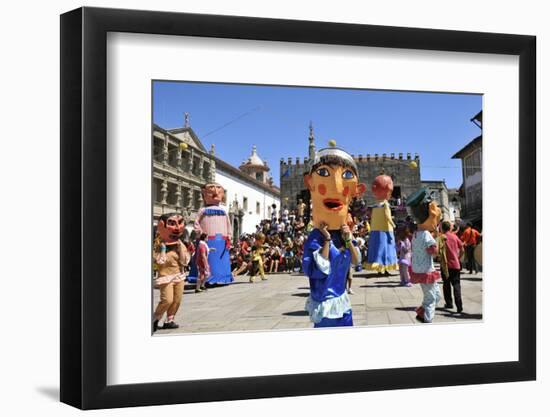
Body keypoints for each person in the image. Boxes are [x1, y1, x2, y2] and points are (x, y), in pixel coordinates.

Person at [302, 140, 366, 327]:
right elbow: (318, 270)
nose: (337, 186)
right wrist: (327, 240)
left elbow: (356, 261)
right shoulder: (316, 238)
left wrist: (348, 238)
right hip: (325, 305)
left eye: (346, 175)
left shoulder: (343, 235)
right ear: (310, 183)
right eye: (323, 173)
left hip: (343, 303)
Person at [406, 188, 442, 323]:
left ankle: (422, 315)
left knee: (436, 295)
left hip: (419, 269)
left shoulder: (416, 233)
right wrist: (436, 243)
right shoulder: (426, 234)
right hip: (426, 270)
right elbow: (433, 251)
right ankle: (428, 318)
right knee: (432, 297)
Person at [188, 183, 233, 285]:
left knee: (220, 260)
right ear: (204, 194)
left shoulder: (223, 211)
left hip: (222, 241)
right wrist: (200, 231)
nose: (216, 192)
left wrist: (229, 234)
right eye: (212, 190)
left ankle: (222, 277)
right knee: (208, 260)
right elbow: (196, 223)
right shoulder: (203, 210)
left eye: (218, 190)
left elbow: (228, 224)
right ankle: (206, 278)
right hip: (207, 240)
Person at [152, 213, 190, 332]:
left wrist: (179, 248)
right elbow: (159, 261)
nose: (177, 228)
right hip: (165, 276)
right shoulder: (158, 244)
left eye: (180, 223)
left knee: (177, 300)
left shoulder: (180, 244)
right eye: (172, 224)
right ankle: (154, 319)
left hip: (179, 275)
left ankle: (170, 320)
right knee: (167, 300)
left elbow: (185, 262)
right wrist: (163, 249)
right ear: (162, 226)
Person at [365, 174, 399, 275]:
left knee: (377, 249)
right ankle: (385, 268)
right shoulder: (385, 205)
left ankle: (380, 268)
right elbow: (387, 216)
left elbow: (372, 218)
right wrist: (393, 224)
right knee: (386, 250)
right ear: (388, 189)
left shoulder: (375, 206)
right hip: (386, 230)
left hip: (375, 231)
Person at [440, 221, 465, 314]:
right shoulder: (455, 237)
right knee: (456, 285)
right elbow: (462, 249)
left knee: (446, 285)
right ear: (450, 228)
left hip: (445, 265)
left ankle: (449, 303)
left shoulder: (441, 238)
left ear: (442, 228)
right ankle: (459, 306)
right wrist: (458, 258)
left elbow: (437, 252)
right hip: (455, 265)